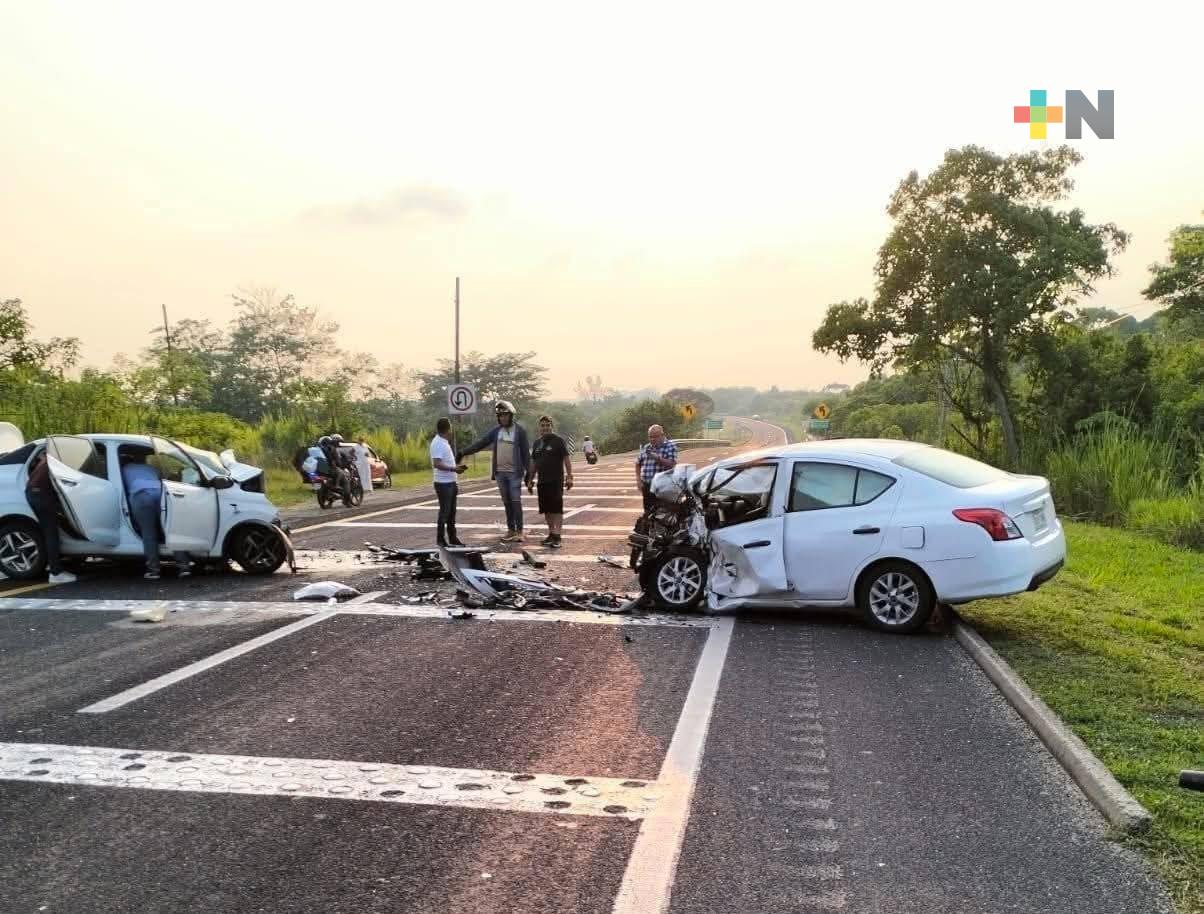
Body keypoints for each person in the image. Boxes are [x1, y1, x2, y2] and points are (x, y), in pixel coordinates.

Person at [459, 400, 531, 543]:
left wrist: (529, 473)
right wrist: (463, 452)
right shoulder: (496, 431)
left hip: (514, 473)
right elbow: (481, 443)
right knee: (507, 502)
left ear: (511, 416)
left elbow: (525, 454)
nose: (503, 418)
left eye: (505, 415)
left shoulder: (520, 431)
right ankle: (511, 530)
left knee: (516, 501)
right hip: (500, 473)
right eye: (500, 416)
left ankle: (520, 531)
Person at [120, 451, 191, 580]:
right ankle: (184, 566)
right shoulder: (152, 468)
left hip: (140, 495)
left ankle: (154, 571)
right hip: (160, 492)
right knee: (170, 529)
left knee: (148, 533)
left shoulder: (124, 469)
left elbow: (120, 488)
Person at [24, 449, 77, 584]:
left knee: (48, 531)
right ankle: (55, 573)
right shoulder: (60, 461)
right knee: (51, 533)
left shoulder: (49, 458)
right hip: (41, 495)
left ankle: (51, 564)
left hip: (33, 493)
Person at [526, 415, 573, 548]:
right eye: (542, 425)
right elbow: (534, 463)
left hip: (556, 481)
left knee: (557, 509)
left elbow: (566, 459)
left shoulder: (558, 441)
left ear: (551, 426)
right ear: (539, 428)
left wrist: (570, 476)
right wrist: (530, 479)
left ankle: (557, 536)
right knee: (546, 510)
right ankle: (551, 533)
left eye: (547, 425)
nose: (545, 428)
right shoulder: (537, 443)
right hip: (542, 481)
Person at [430, 418, 467, 546]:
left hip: (450, 481)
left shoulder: (443, 442)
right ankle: (440, 539)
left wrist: (456, 468)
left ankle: (453, 538)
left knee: (451, 513)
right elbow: (437, 463)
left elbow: (444, 462)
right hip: (443, 483)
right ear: (448, 429)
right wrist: (453, 468)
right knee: (445, 512)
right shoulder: (438, 443)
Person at [635, 424, 678, 515]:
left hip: (663, 487)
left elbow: (671, 464)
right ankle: (650, 529)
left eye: (655, 437)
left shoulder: (670, 446)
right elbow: (638, 463)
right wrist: (638, 480)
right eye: (650, 437)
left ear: (662, 435)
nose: (652, 439)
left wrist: (657, 458)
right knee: (648, 513)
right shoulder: (647, 447)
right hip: (647, 486)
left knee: (663, 514)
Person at [318, 435, 352, 505]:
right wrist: (341, 464)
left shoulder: (319, 450)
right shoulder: (332, 449)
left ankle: (332, 492)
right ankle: (347, 501)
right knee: (346, 481)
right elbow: (338, 462)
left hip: (321, 471)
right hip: (331, 470)